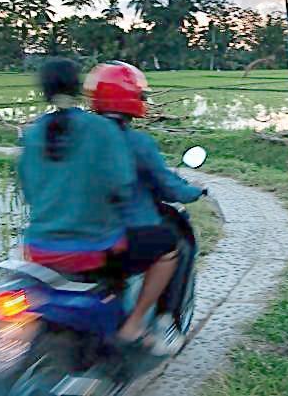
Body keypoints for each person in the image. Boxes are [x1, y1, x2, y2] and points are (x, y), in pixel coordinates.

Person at [16, 59, 180, 350]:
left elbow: (28, 191)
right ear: (78, 88)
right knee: (168, 246)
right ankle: (133, 325)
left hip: (38, 248)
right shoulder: (101, 130)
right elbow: (121, 185)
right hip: (95, 249)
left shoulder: (33, 133)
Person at [83, 62, 206, 341]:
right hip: (119, 237)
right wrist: (195, 191)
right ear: (132, 99)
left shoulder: (74, 138)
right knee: (171, 248)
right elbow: (168, 186)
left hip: (73, 232)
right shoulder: (136, 143)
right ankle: (142, 322)